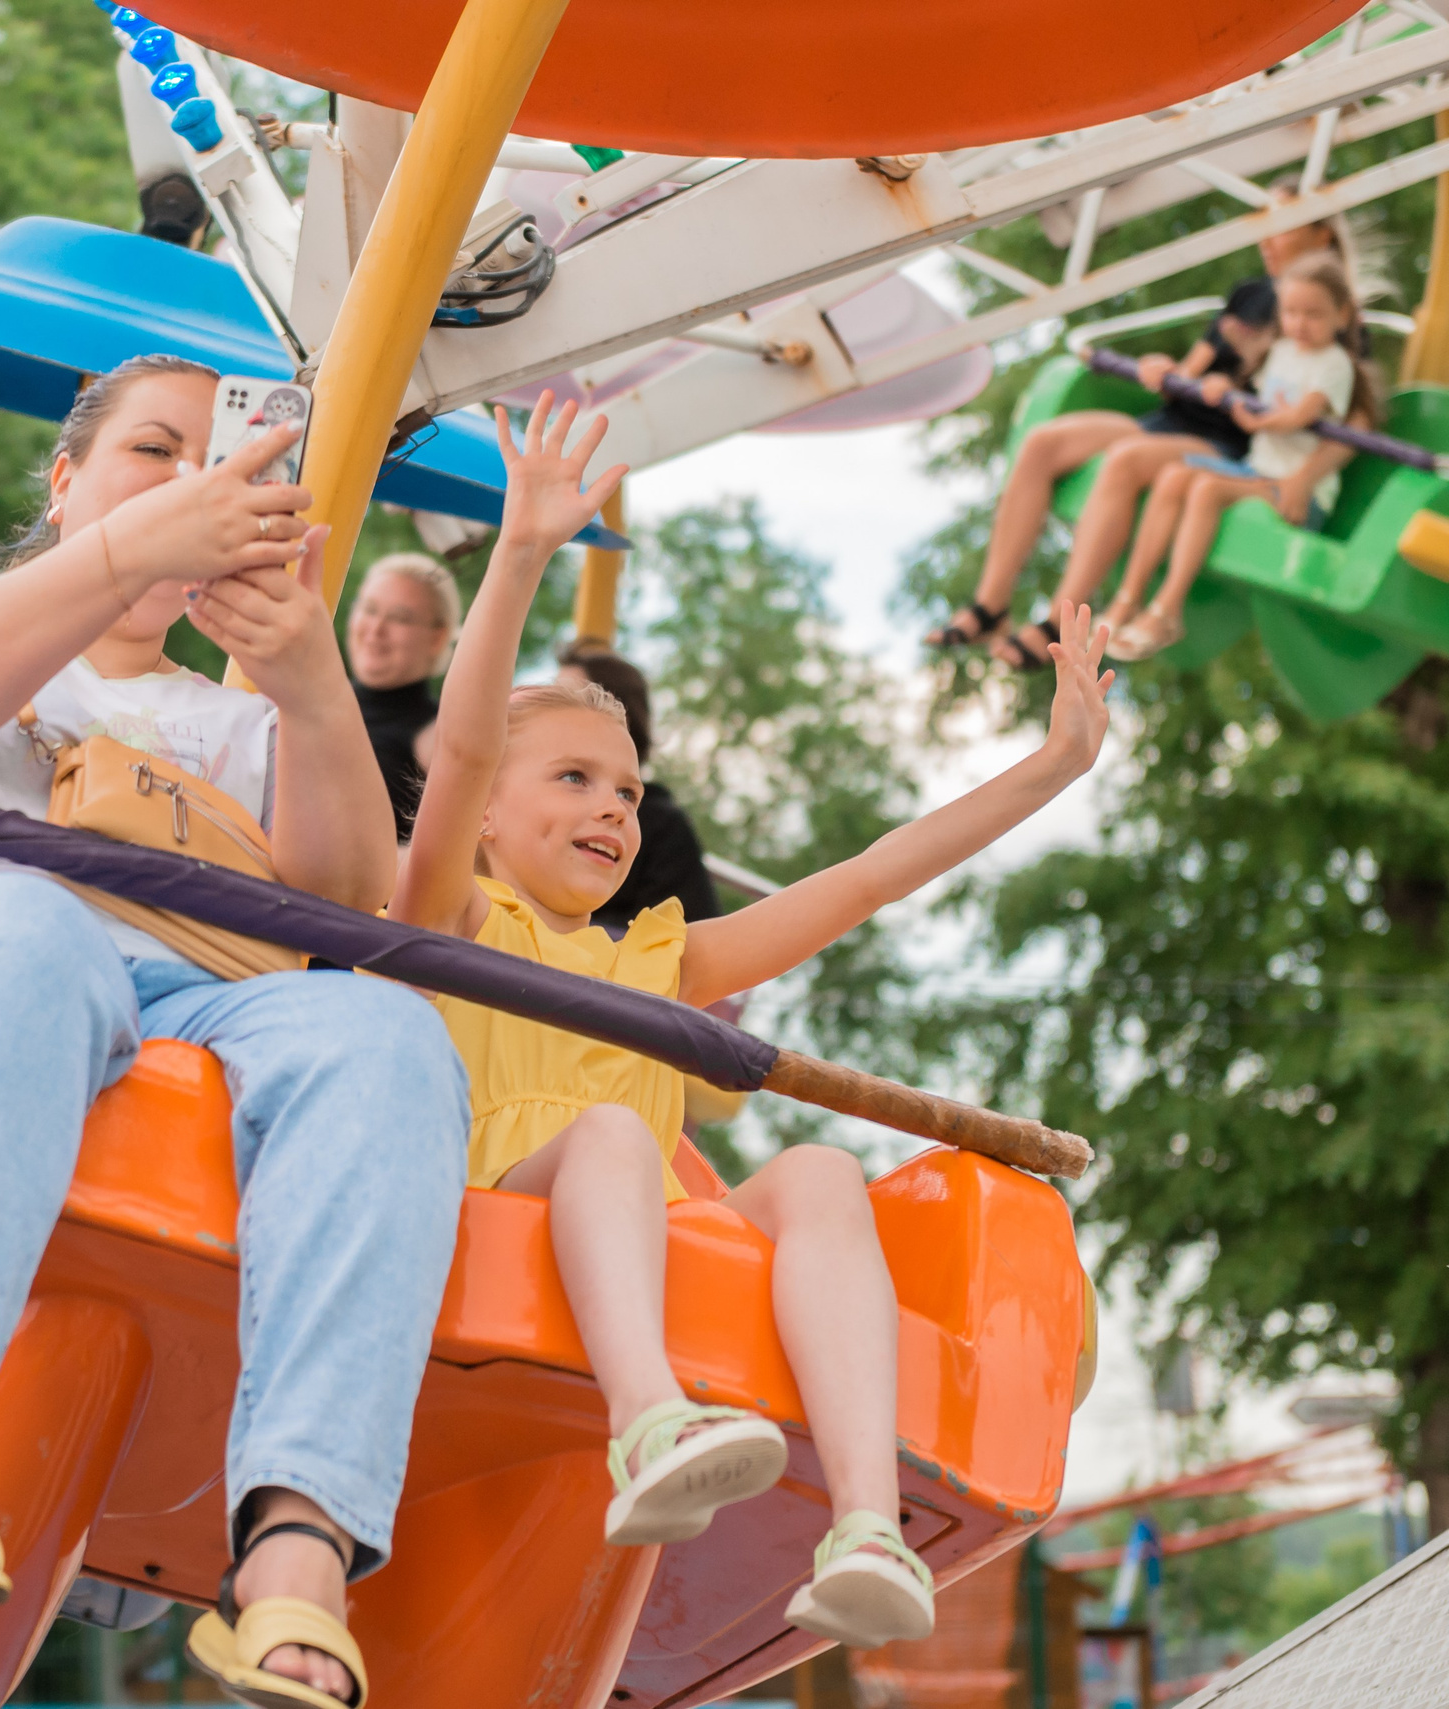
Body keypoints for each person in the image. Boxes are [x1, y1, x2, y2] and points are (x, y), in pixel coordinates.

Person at [395, 392, 1114, 1649]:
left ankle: (866, 1523)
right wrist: (517, 555)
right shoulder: (447, 907)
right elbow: (452, 754)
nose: (614, 808)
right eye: (571, 778)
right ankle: (647, 1417)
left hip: (652, 1228)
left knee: (822, 1168)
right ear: (488, 811)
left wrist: (1048, 768)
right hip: (492, 1205)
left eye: (626, 788)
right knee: (620, 1132)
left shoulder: (659, 958)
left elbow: (868, 876)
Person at [0, 354, 468, 1709]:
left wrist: (307, 680)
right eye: (152, 454)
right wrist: (117, 563)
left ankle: (300, 1537)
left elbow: (347, 912)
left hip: (196, 999)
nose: (191, 485)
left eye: (221, 468)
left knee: (390, 1039)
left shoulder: (231, 718)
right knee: (33, 923)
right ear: (66, 485)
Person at [930, 190, 1353, 669]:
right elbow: (1191, 373)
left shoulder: (1330, 321)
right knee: (1042, 442)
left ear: (1322, 234)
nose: (1267, 236)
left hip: (1222, 441)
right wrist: (1165, 371)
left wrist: (1300, 474)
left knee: (1125, 459)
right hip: (1171, 419)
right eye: (1266, 220)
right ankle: (991, 606)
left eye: (1285, 223)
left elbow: (1349, 416)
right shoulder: (1250, 294)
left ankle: (1059, 622)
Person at [1107, 253, 1379, 661]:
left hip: (1295, 490)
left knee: (1206, 489)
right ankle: (1128, 597)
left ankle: (1168, 608)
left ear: (1342, 316)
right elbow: (1247, 392)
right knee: (1173, 478)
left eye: (1313, 315)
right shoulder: (1283, 351)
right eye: (1290, 312)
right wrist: (1220, 386)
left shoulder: (1335, 364)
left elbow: (1303, 413)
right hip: (1257, 471)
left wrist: (1257, 423)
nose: (1300, 324)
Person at [551, 644, 721, 935]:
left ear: (615, 715)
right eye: (572, 780)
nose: (614, 810)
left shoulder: (661, 825)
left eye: (627, 796)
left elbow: (692, 939)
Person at [345, 552, 463, 840]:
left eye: (400, 618)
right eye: (369, 609)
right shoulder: (307, 701)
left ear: (437, 637)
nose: (376, 630)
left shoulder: (439, 738)